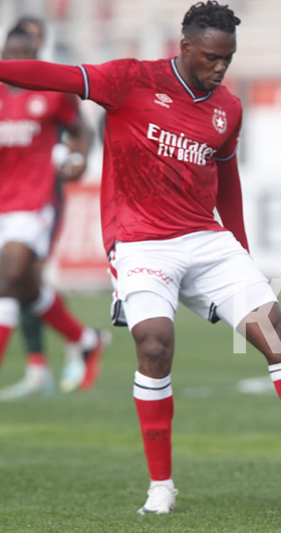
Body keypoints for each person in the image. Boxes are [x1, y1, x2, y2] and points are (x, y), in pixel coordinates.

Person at [0, 1, 281, 515]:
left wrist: (240, 247)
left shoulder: (228, 107)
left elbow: (227, 182)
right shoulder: (130, 79)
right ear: (184, 47)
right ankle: (162, 488)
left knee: (278, 336)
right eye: (211, 57)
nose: (219, 68)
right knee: (154, 345)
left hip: (207, 240)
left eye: (227, 58)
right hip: (140, 240)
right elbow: (53, 75)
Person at [0, 25, 107, 401]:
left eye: (24, 54)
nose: (16, 61)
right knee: (21, 286)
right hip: (2, 200)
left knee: (9, 275)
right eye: (11, 54)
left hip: (35, 201)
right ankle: (85, 338)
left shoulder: (50, 92)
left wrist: (78, 158)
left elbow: (80, 131)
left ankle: (43, 362)